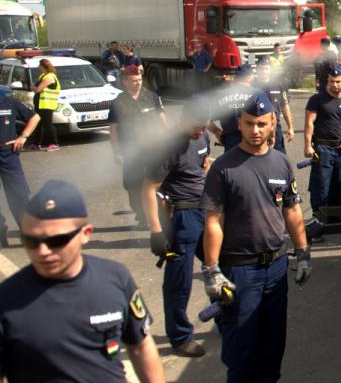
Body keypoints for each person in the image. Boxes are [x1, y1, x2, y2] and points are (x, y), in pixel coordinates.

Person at [0, 180, 165, 382]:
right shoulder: (7, 300)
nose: (43, 251)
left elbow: (140, 345)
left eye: (56, 241)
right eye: (31, 241)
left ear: (85, 234)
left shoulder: (115, 279)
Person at [201, 91, 311, 382]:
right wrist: (211, 270)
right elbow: (214, 220)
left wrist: (302, 253)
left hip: (276, 267)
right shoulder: (223, 168)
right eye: (249, 123)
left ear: (273, 122)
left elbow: (293, 212)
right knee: (242, 350)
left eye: (262, 123)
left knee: (273, 345)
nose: (255, 130)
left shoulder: (282, 163)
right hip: (240, 271)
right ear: (240, 123)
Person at [141, 98, 212, 358]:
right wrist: (156, 230)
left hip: (206, 211)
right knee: (179, 281)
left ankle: (225, 318)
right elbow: (149, 189)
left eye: (204, 128)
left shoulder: (202, 138)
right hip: (181, 216)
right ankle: (180, 337)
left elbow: (202, 163)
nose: (200, 132)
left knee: (218, 268)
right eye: (196, 127)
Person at [110, 66, 168, 229]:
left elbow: (162, 120)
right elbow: (114, 129)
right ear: (124, 82)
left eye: (140, 80)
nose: (138, 83)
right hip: (131, 151)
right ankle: (141, 214)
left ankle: (156, 214)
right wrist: (117, 151)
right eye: (134, 81)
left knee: (156, 182)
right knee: (131, 184)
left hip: (153, 149)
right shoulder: (118, 102)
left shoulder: (152, 97)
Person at [304, 65, 341, 223]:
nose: (335, 85)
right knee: (321, 185)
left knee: (339, 184)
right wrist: (308, 146)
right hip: (322, 148)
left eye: (338, 81)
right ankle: (317, 220)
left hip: (340, 149)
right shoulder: (317, 99)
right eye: (332, 81)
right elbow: (309, 123)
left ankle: (334, 214)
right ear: (328, 81)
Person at [0, 88, 39, 247]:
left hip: (8, 155)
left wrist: (23, 137)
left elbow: (35, 117)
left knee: (19, 195)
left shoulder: (9, 102)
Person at [209, 64, 259, 151]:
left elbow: (206, 118)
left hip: (230, 142)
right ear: (251, 77)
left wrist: (217, 132)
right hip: (252, 141)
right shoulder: (257, 94)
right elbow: (270, 118)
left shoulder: (223, 94)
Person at [256, 58, 294, 152]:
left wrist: (290, 127)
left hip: (275, 127)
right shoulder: (252, 85)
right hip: (257, 128)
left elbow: (285, 106)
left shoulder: (278, 85)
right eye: (261, 68)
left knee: (279, 158)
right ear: (257, 69)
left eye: (266, 68)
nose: (264, 71)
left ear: (270, 69)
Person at [30, 58, 60, 151]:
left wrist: (33, 87)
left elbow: (38, 89)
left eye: (39, 65)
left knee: (48, 124)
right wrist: (36, 87)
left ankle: (55, 143)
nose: (38, 67)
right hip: (40, 104)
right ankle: (36, 144)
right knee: (38, 124)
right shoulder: (43, 75)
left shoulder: (49, 77)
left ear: (43, 66)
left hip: (46, 104)